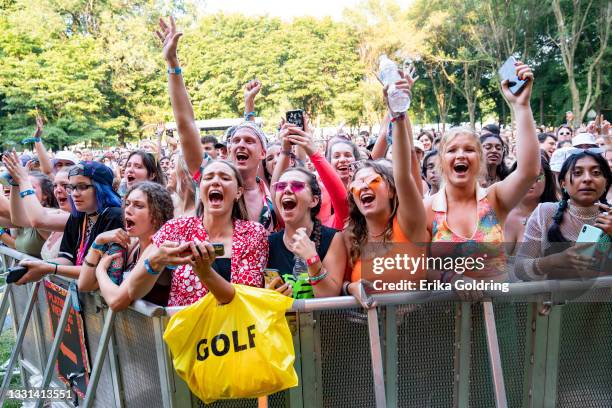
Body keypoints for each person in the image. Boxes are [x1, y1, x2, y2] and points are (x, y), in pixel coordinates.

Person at [425, 61, 540, 288]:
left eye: (469, 150)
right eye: (452, 150)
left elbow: (529, 171)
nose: (461, 155)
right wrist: (453, 279)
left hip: (498, 314)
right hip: (446, 317)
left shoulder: (494, 199)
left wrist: (522, 106)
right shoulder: (427, 209)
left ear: (480, 159)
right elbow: (416, 267)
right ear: (441, 161)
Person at [123, 158, 268, 306]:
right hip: (187, 327)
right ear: (200, 188)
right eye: (208, 177)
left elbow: (245, 300)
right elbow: (133, 291)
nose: (215, 182)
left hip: (236, 328)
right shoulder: (175, 228)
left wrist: (205, 273)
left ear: (238, 192)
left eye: (225, 178)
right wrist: (154, 262)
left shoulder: (253, 233)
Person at [343, 69, 429, 304]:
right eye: (357, 184)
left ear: (391, 189)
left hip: (418, 333)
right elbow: (332, 284)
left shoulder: (409, 225)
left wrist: (398, 115)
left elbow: (404, 174)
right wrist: (350, 287)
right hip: (366, 334)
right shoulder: (351, 237)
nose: (363, 187)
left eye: (372, 180)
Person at [16, 162, 124, 283]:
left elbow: (98, 270)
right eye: (72, 187)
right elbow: (66, 258)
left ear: (101, 188)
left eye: (82, 187)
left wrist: (48, 268)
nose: (74, 194)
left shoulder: (115, 215)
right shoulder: (78, 216)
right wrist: (37, 266)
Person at [515, 151, 611, 280]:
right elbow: (520, 269)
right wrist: (555, 260)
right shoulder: (545, 212)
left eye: (596, 173)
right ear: (563, 183)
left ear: (606, 183)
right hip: (557, 300)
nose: (587, 179)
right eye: (577, 173)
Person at [76, 182, 174, 309]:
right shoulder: (131, 246)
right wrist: (97, 243)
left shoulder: (157, 248)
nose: (128, 209)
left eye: (138, 206)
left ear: (157, 214)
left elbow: (116, 302)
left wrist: (101, 271)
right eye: (127, 204)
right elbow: (85, 285)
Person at [267, 165, 346, 298]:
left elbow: (328, 297)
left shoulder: (334, 238)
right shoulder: (268, 243)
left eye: (297, 185)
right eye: (281, 186)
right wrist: (268, 294)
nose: (287, 190)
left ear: (314, 201)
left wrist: (312, 259)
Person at [2, 152, 72, 260]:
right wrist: (15, 183)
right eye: (55, 185)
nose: (58, 190)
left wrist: (23, 180)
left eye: (65, 185)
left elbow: (37, 218)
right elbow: (18, 219)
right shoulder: (57, 215)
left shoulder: (65, 217)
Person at [504, 156, 558, 258]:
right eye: (523, 174)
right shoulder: (495, 212)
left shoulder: (558, 216)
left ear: (547, 180)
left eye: (538, 175)